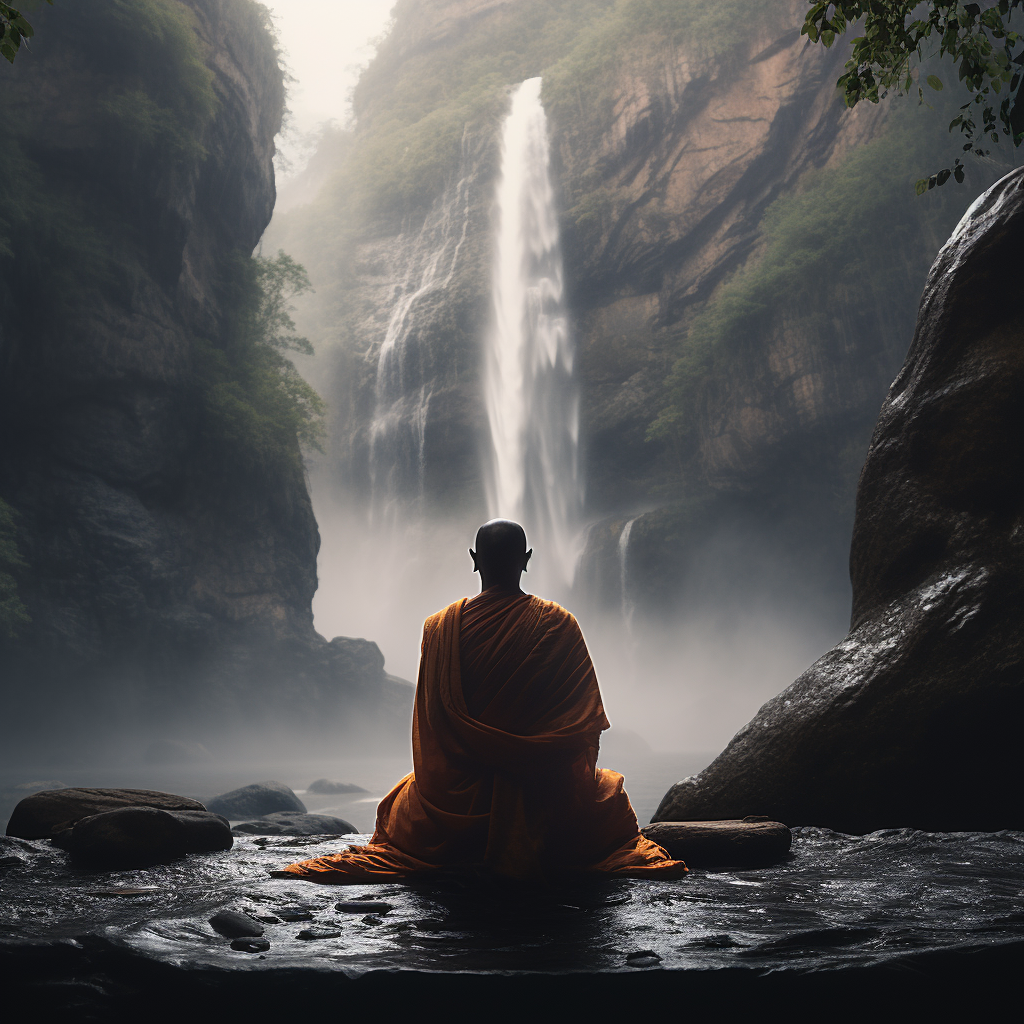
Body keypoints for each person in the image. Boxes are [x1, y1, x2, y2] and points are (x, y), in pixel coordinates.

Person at [275, 519, 687, 883]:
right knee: (609, 793)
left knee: (399, 800)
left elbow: (431, 727)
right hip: (539, 794)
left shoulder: (438, 628)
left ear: (474, 559)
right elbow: (580, 728)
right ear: (526, 559)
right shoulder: (558, 624)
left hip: (456, 803)